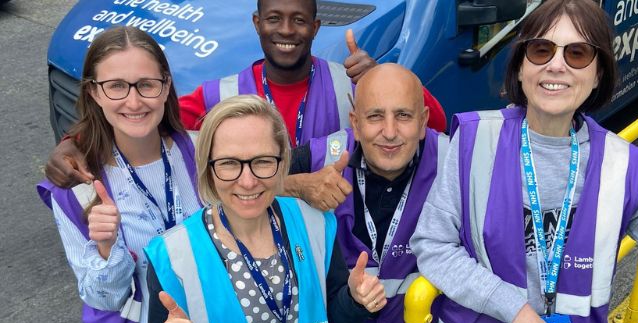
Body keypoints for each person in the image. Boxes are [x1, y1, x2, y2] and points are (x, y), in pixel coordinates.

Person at [410, 0, 638, 323]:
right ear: (521, 66)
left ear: (599, 73)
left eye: (577, 53)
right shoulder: (474, 141)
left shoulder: (621, 165)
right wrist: (514, 308)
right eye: (541, 50)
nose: (556, 64)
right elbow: (432, 243)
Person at [45, 0, 447, 209]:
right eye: (274, 18)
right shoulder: (220, 95)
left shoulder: (351, 83)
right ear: (257, 23)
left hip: (334, 254)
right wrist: (74, 140)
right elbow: (144, 116)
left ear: (316, 27)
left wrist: (381, 78)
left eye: (299, 20)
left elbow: (435, 124)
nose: (286, 31)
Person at [144, 95, 386, 323]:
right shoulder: (173, 255)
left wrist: (355, 299)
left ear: (282, 162)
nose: (247, 181)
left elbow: (337, 320)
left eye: (262, 161)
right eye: (229, 163)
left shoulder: (314, 223)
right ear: (208, 168)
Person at [36, 26, 202, 323]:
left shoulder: (201, 152)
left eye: (146, 84)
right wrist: (108, 247)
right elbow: (104, 299)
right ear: (94, 93)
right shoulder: (78, 189)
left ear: (166, 85)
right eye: (115, 86)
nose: (134, 101)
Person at [290, 63, 449, 323]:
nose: (389, 132)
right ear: (356, 123)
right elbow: (243, 190)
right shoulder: (318, 158)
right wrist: (297, 185)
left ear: (424, 120)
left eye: (403, 115)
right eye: (375, 116)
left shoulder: (455, 159)